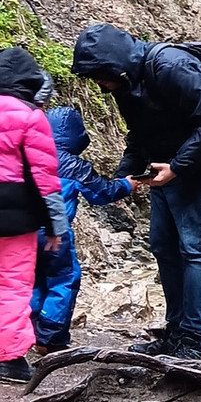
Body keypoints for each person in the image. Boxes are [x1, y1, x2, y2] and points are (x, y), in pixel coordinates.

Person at [71, 24, 201, 361]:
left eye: (98, 76)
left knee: (193, 249)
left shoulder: (171, 66)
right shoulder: (125, 82)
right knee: (163, 245)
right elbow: (139, 132)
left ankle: (191, 340)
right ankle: (174, 331)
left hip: (195, 169)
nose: (98, 84)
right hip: (162, 169)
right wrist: (123, 178)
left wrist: (177, 167)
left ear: (112, 65)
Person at [32, 107, 135, 354]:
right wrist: (126, 185)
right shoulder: (73, 165)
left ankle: (29, 330)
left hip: (21, 230)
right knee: (64, 279)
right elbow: (103, 193)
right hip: (55, 231)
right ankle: (50, 338)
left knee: (31, 279)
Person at [0, 48, 68, 384]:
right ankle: (10, 360)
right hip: (16, 218)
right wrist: (56, 225)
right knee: (12, 286)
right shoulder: (30, 116)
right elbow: (45, 178)